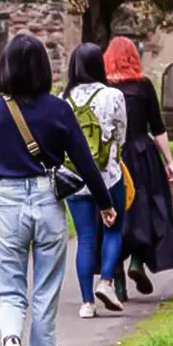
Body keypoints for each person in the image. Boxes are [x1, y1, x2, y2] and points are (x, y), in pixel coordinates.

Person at [0, 34, 113, 346]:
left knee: (9, 287)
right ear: (42, 69)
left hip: (7, 197)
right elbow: (83, 160)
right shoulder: (59, 109)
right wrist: (104, 202)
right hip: (48, 200)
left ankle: (11, 343)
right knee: (46, 288)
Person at [104, 37, 173, 297]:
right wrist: (169, 161)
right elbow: (157, 127)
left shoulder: (103, 87)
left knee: (112, 213)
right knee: (144, 208)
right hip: (142, 153)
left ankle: (120, 284)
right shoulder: (143, 85)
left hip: (113, 155)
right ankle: (137, 262)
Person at [62, 43, 129, 319]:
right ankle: (107, 282)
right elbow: (122, 133)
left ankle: (87, 302)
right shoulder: (113, 95)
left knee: (85, 237)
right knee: (114, 229)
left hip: (75, 177)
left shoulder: (63, 98)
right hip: (108, 174)